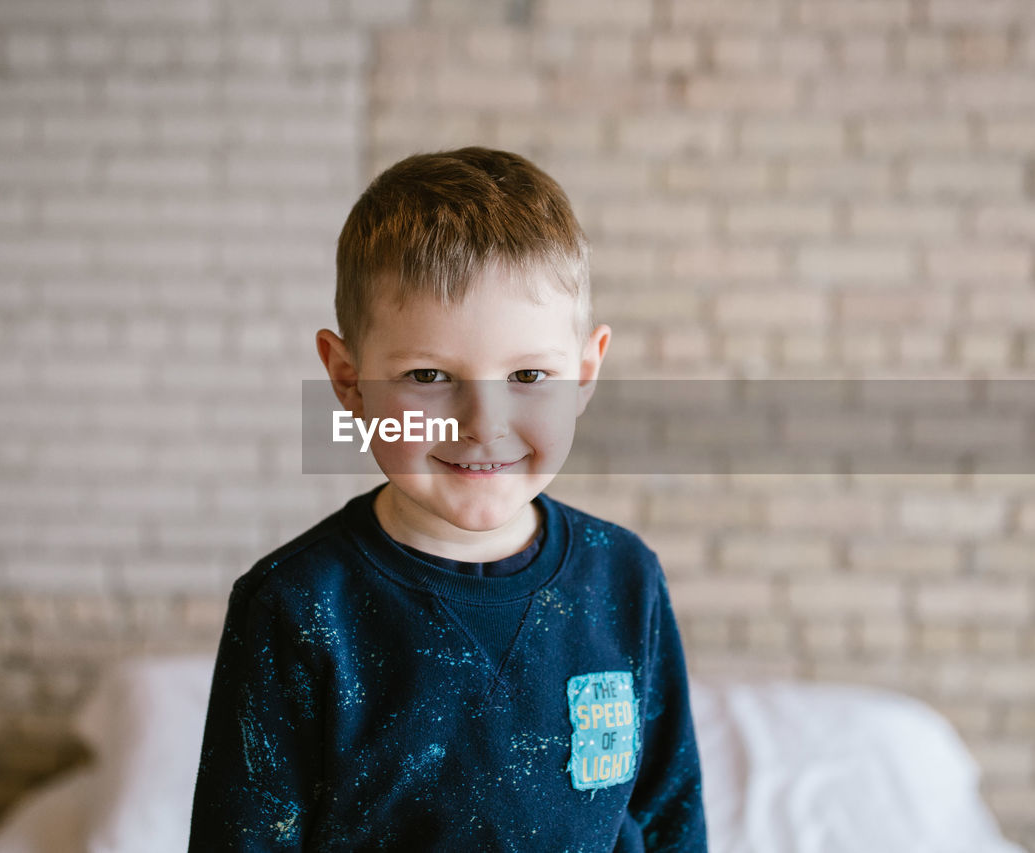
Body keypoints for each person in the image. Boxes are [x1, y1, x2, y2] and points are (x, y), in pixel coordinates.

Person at [188, 147, 708, 851]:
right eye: (429, 374)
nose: (482, 423)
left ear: (585, 373)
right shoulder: (297, 608)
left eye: (529, 373)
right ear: (349, 381)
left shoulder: (623, 579)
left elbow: (671, 813)